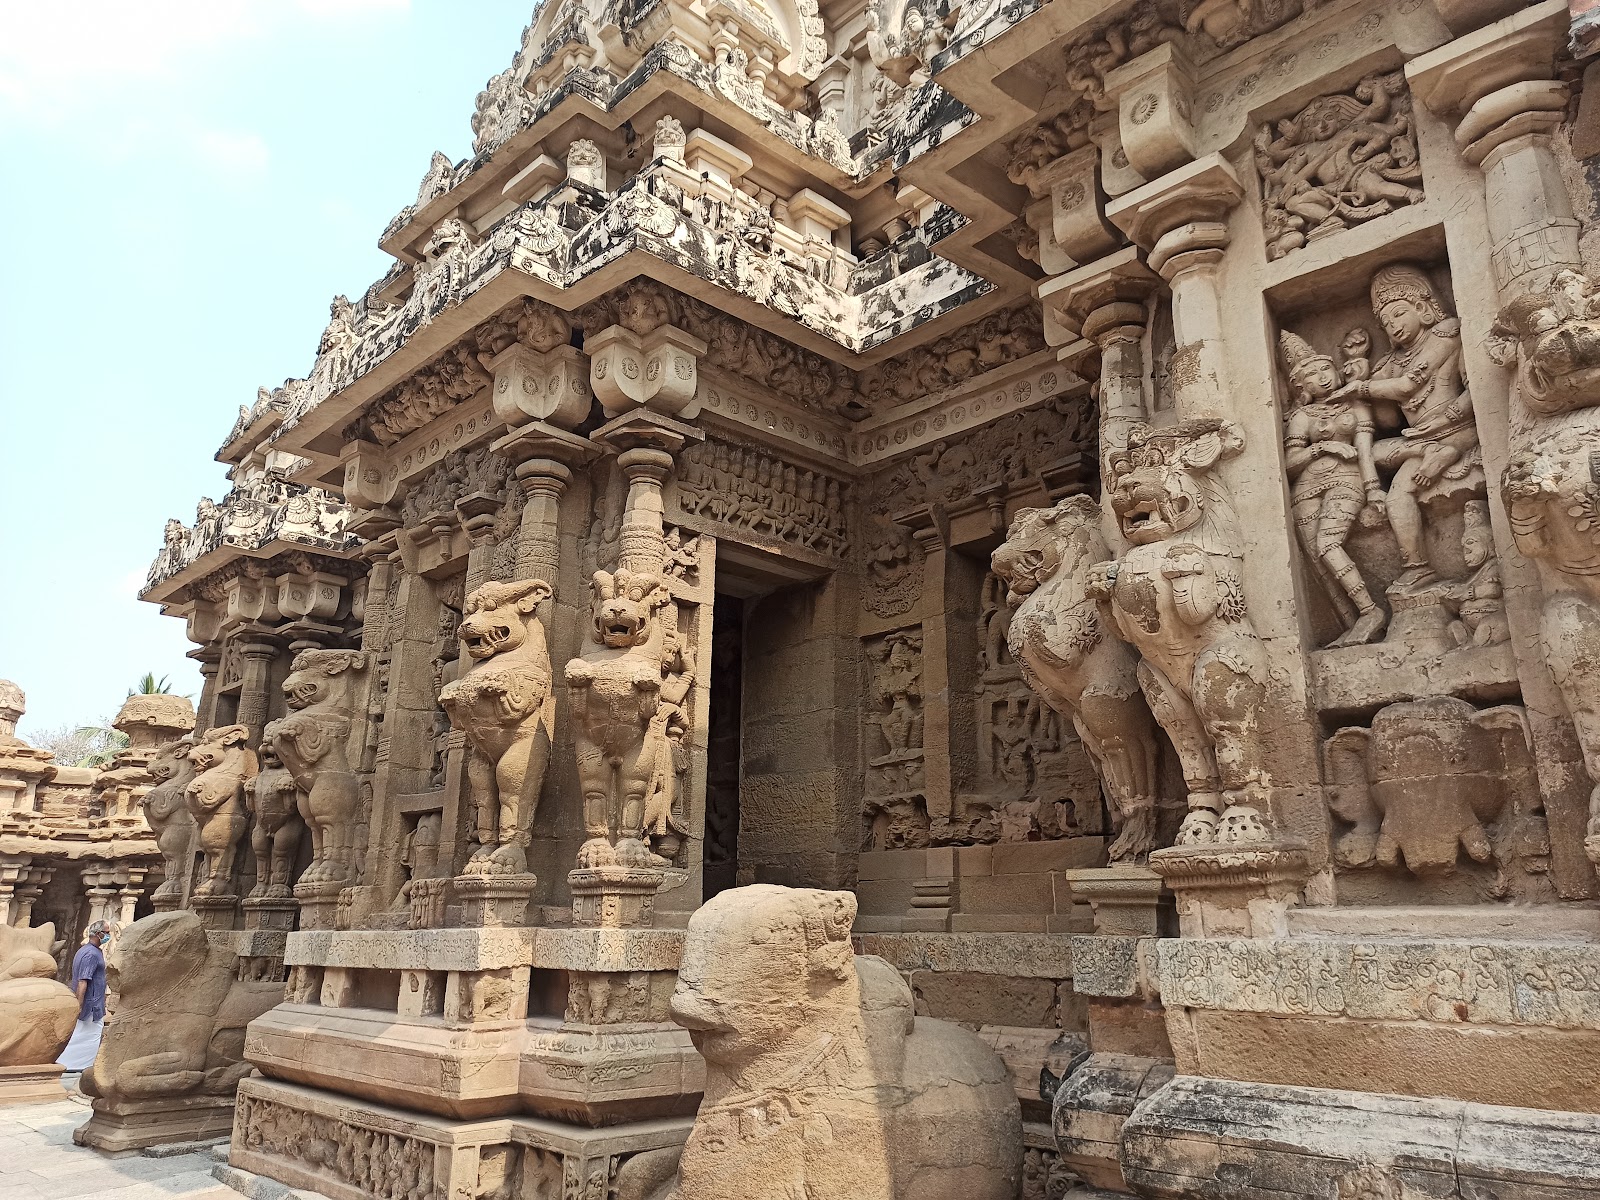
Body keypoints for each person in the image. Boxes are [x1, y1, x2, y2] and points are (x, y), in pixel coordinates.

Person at [56, 921, 110, 1078]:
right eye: (106, 932)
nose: (108, 935)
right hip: (91, 1004)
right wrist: (79, 1004)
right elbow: (83, 981)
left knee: (84, 1035)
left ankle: (77, 1064)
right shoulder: (91, 954)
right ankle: (76, 1065)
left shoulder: (88, 951)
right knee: (86, 1035)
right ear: (98, 934)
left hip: (93, 1002)